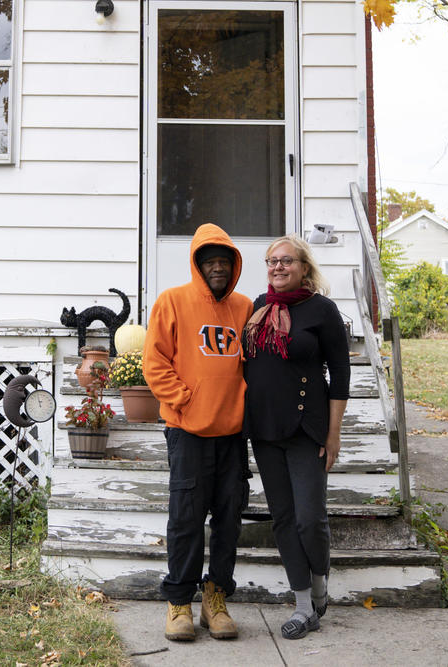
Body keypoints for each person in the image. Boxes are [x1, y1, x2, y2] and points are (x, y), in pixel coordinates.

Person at [143, 223, 255, 641]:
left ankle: (216, 598)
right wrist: (187, 399)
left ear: (234, 266)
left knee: (228, 518)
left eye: (224, 262)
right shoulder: (172, 301)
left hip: (231, 434)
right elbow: (154, 363)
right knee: (186, 519)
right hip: (187, 431)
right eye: (210, 262)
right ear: (197, 265)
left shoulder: (244, 308)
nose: (218, 269)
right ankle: (179, 602)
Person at [242, 234, 350, 640]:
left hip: (308, 429)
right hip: (265, 430)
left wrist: (333, 433)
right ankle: (304, 606)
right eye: (272, 261)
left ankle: (320, 584)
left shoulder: (322, 310)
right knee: (284, 519)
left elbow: (340, 374)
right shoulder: (258, 308)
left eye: (286, 261)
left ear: (304, 267)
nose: (278, 267)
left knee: (310, 520)